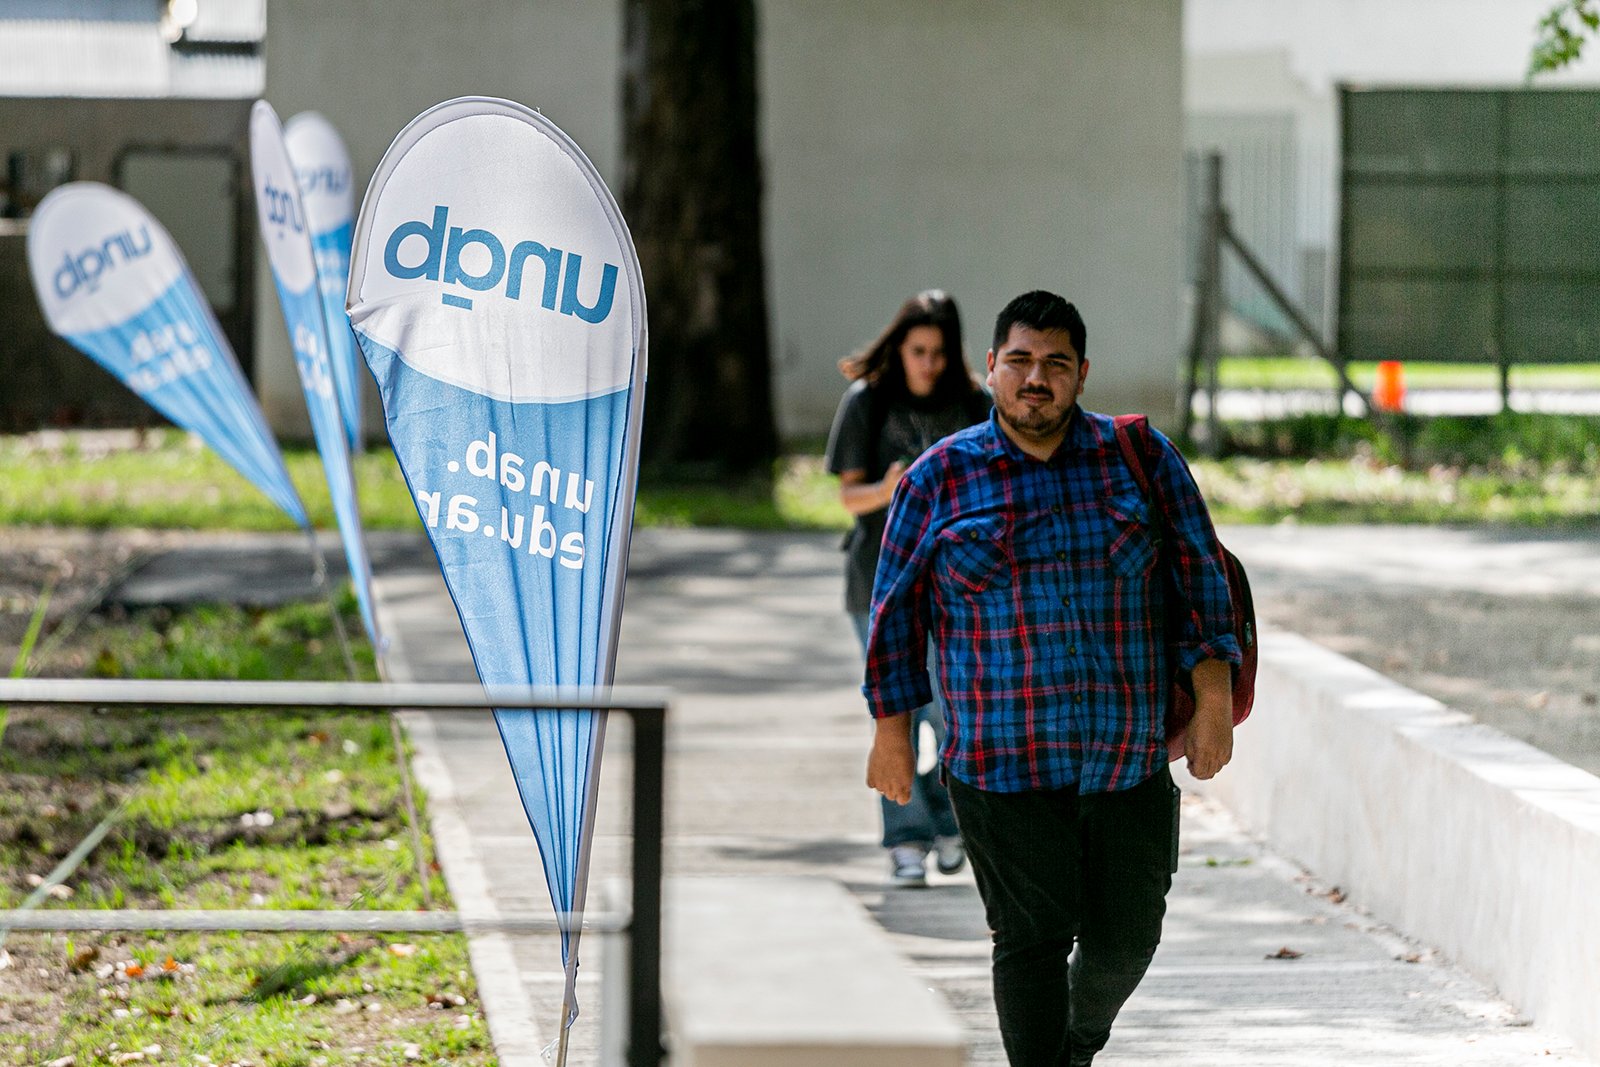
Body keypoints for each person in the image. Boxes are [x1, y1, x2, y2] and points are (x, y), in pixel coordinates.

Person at [862, 290, 1240, 1065]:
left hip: (1125, 757)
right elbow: (894, 614)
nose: (1037, 378)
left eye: (1056, 363)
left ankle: (1076, 1044)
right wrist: (891, 733)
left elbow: (1202, 581)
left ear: (1081, 373)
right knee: (1031, 936)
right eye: (1021, 360)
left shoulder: (1141, 459)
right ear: (991, 367)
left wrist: (1214, 701)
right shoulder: (938, 479)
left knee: (1126, 939)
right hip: (1001, 762)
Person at [826, 289, 990, 887]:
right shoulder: (867, 401)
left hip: (954, 593)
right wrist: (890, 489)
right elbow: (848, 495)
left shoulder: (975, 403)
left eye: (939, 353)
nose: (929, 364)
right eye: (918, 351)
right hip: (878, 585)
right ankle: (905, 840)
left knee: (950, 716)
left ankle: (947, 823)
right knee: (896, 712)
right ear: (898, 348)